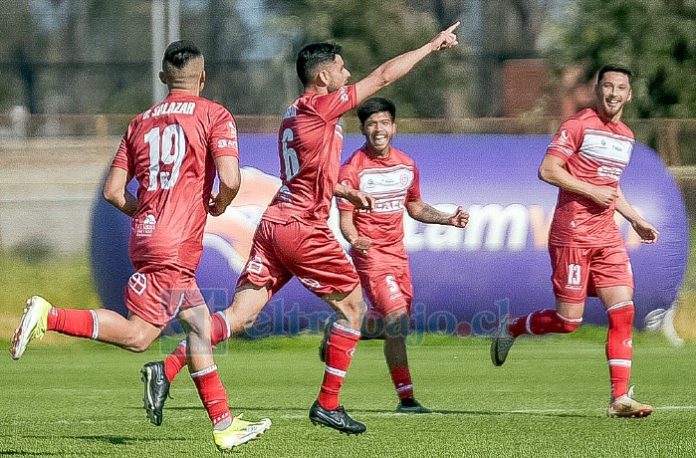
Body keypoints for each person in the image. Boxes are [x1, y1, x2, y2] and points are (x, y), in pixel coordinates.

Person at [142, 23, 461, 435]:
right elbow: (382, 76)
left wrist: (342, 188)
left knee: (239, 317)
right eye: (342, 69)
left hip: (274, 223)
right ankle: (328, 404)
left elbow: (305, 172)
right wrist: (431, 45)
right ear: (323, 76)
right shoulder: (318, 106)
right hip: (302, 228)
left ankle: (165, 367)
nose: (347, 76)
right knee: (354, 309)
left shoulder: (294, 113)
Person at [10, 40, 271, 451]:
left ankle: (224, 424)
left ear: (164, 77)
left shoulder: (139, 123)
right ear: (202, 77)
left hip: (147, 236)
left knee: (200, 328)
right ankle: (50, 315)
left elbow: (114, 191)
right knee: (139, 337)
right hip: (175, 244)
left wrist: (146, 214)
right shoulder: (213, 114)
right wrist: (220, 203)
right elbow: (232, 178)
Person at [490, 64, 659, 418]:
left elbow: (611, 189)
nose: (613, 93)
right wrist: (589, 190)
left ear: (629, 94)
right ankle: (512, 328)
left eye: (620, 88)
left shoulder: (626, 136)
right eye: (607, 86)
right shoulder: (578, 125)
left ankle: (619, 399)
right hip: (572, 234)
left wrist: (635, 218)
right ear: (597, 91)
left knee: (623, 310)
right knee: (569, 322)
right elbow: (548, 169)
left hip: (607, 236)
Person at [332, 97, 468, 413]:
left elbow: (415, 206)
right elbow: (346, 221)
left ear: (393, 127)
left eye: (383, 123)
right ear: (363, 129)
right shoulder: (353, 170)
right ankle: (406, 399)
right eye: (371, 124)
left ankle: (344, 330)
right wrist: (355, 239)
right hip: (371, 256)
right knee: (396, 320)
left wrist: (448, 218)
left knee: (396, 325)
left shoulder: (406, 165)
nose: (378, 129)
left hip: (398, 256)